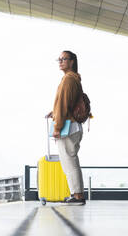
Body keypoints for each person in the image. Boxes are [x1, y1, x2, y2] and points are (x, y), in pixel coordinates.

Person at [46, 50, 85, 205]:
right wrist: (54, 112)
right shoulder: (72, 78)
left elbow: (63, 104)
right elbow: (66, 103)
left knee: (69, 161)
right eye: (59, 59)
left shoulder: (68, 79)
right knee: (70, 160)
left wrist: (57, 127)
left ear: (72, 62)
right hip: (73, 125)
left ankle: (77, 195)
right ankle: (76, 193)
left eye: (64, 59)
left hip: (68, 126)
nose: (60, 61)